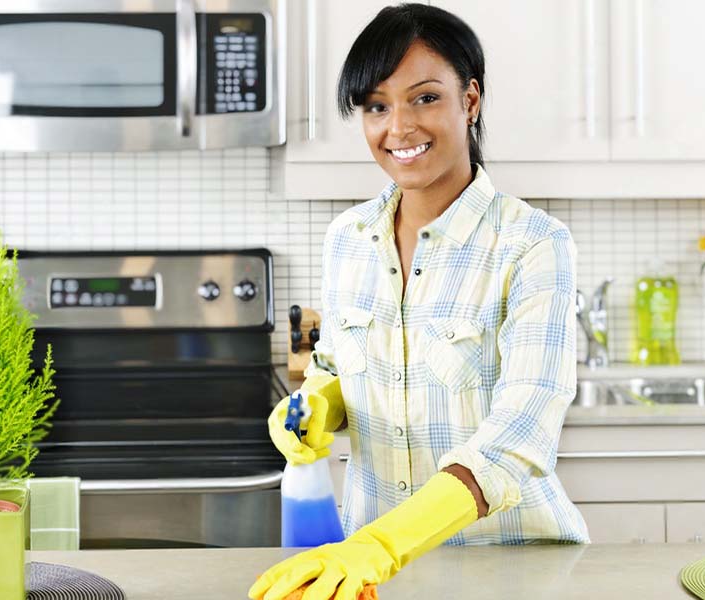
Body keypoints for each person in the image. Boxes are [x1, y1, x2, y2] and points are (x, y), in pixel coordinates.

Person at [249, 4, 590, 600]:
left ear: (471, 100)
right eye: (377, 106)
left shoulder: (532, 243)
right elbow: (337, 366)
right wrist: (315, 410)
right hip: (367, 575)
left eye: (425, 97)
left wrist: (385, 544)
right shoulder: (347, 239)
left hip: (510, 566)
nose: (398, 127)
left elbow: (522, 430)